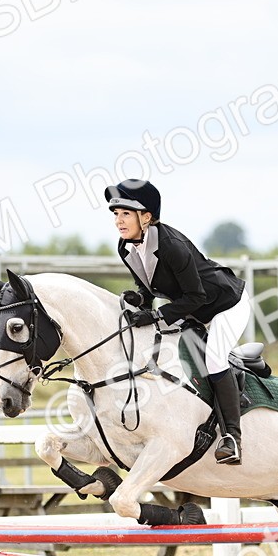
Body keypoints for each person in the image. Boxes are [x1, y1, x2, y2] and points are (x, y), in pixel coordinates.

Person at [105, 179, 251, 465]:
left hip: (225, 303)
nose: (119, 221)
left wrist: (158, 315)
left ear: (146, 217)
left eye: (126, 214)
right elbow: (147, 290)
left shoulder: (171, 245)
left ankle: (232, 437)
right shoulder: (125, 247)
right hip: (193, 309)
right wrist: (139, 303)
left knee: (214, 359)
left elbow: (195, 296)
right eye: (116, 214)